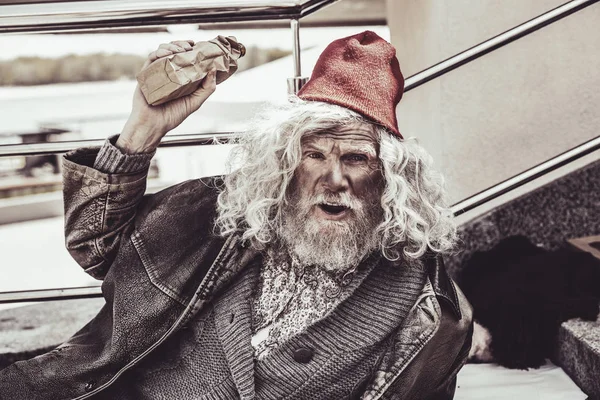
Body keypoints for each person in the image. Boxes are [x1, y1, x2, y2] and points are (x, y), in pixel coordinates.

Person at [0, 30, 472, 400]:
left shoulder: (433, 314)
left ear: (391, 178)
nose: (334, 180)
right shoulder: (223, 213)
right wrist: (144, 127)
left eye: (356, 158)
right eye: (313, 155)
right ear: (285, 163)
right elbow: (94, 245)